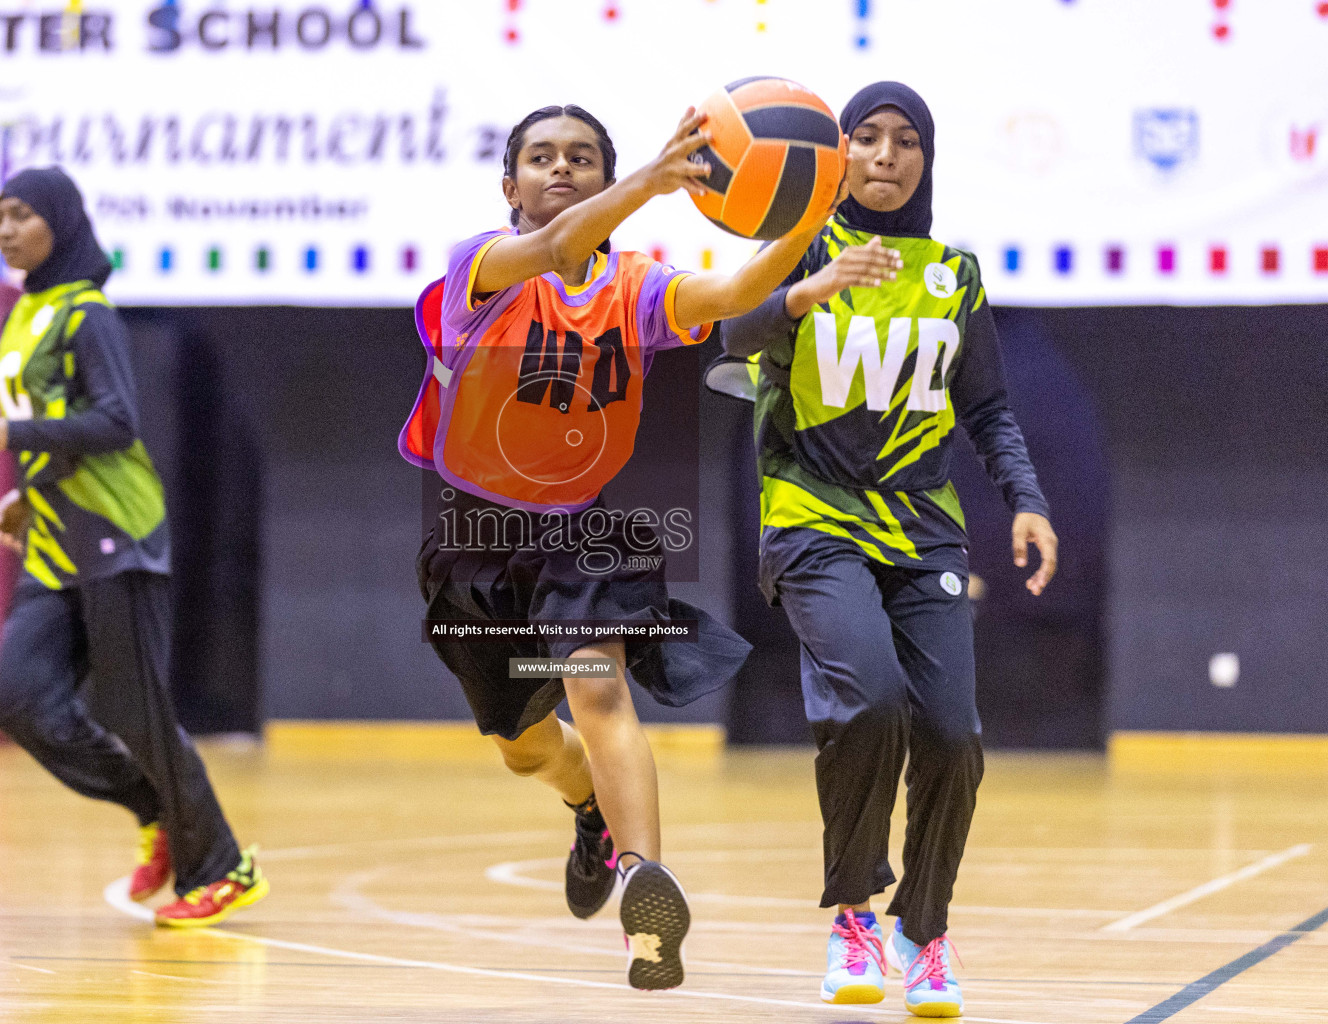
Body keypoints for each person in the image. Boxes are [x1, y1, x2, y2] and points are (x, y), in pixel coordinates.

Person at [400, 104, 828, 990]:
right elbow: (557, 250)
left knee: (599, 692)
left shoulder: (631, 284)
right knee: (522, 741)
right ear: (508, 184)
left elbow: (730, 295)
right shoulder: (478, 268)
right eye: (544, 157)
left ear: (605, 174)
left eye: (585, 158)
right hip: (477, 539)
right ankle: (586, 806)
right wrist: (649, 182)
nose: (564, 169)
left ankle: (646, 895)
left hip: (581, 531)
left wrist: (806, 220)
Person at [718, 82, 1057, 1017]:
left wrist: (1026, 501)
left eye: (906, 140)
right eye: (864, 136)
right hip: (813, 518)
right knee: (867, 702)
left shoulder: (954, 273)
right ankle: (854, 916)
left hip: (921, 530)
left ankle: (925, 929)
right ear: (838, 154)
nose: (885, 154)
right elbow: (720, 336)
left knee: (954, 735)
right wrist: (802, 294)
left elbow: (986, 407)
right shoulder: (796, 252)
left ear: (926, 159)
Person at [0, 166, 267, 928]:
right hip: (56, 541)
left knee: (134, 708)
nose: (6, 229)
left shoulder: (87, 315)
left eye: (22, 215)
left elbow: (115, 421)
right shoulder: (27, 311)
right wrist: (27, 491)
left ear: (62, 222)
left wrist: (9, 437)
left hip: (115, 530)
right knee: (19, 699)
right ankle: (155, 810)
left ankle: (224, 866)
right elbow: (57, 415)